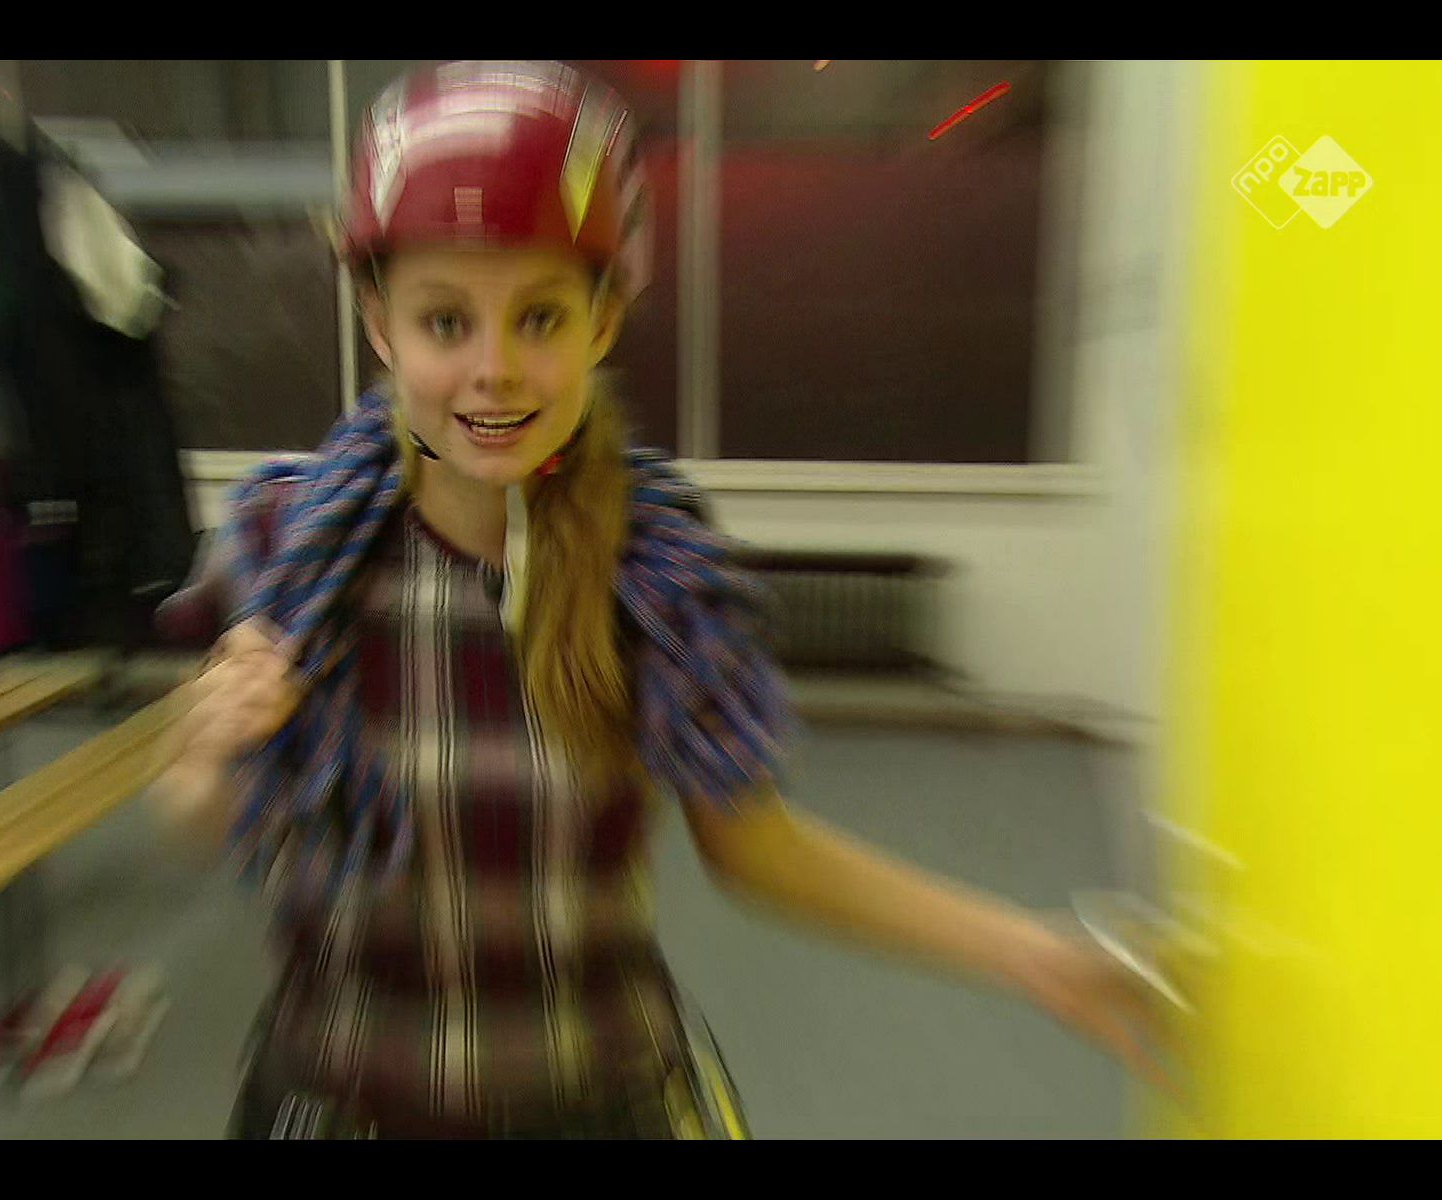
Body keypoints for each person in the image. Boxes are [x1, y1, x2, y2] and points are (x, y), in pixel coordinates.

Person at [155, 60, 1169, 1140]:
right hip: (341, 1099)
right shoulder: (287, 547)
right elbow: (192, 809)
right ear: (378, 321)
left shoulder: (657, 569)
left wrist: (1033, 955)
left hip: (596, 1103)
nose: (494, 370)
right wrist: (209, 760)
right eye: (445, 322)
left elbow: (757, 847)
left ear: (602, 320)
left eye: (540, 318)